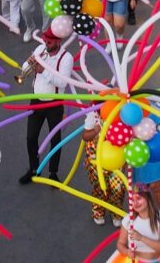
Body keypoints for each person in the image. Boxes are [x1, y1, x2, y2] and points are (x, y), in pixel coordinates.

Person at [18, 28, 73, 185]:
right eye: (45, 41)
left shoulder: (66, 58)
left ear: (58, 41)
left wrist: (44, 71)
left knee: (55, 140)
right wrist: (27, 64)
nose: (46, 44)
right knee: (31, 137)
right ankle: (34, 168)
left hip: (54, 104)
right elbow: (25, 70)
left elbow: (62, 82)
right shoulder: (40, 49)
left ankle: (53, 173)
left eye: (49, 42)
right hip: (36, 100)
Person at [81, 110, 126, 226]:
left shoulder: (121, 113)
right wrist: (96, 130)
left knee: (118, 188)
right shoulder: (93, 115)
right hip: (97, 159)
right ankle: (98, 211)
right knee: (100, 187)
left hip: (115, 158)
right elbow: (85, 136)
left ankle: (116, 213)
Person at [113, 184, 160, 263]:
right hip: (131, 261)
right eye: (132, 200)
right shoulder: (128, 220)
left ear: (148, 198)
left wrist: (141, 238)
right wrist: (126, 252)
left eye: (138, 198)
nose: (136, 203)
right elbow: (120, 244)